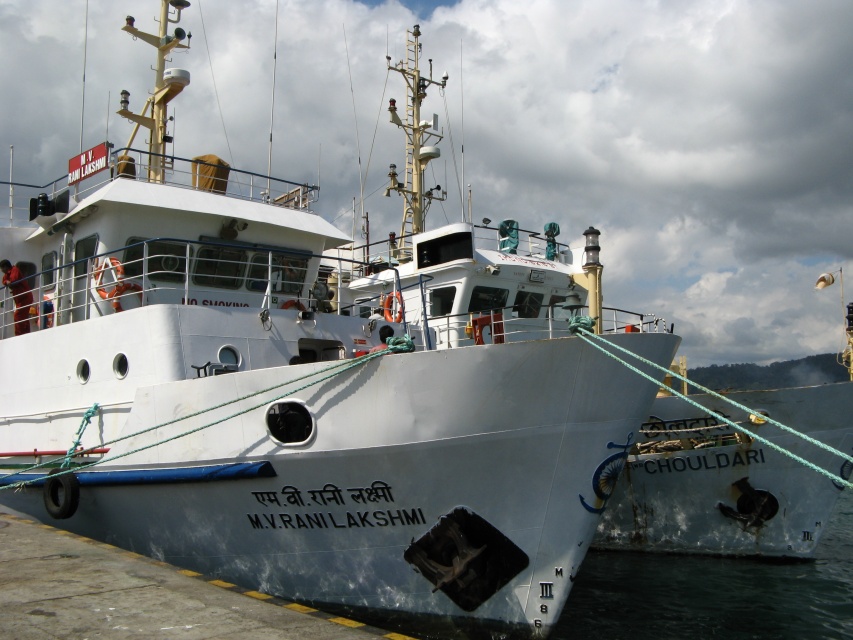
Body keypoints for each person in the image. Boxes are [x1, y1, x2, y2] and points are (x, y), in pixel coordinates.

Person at [1, 259, 34, 336]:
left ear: (5, 267)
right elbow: (4, 280)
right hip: (21, 299)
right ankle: (26, 334)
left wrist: (9, 282)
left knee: (18, 316)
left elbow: (14, 280)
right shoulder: (8, 273)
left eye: (1, 268)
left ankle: (19, 335)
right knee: (24, 317)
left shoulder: (14, 270)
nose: (1, 270)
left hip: (25, 297)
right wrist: (6, 282)